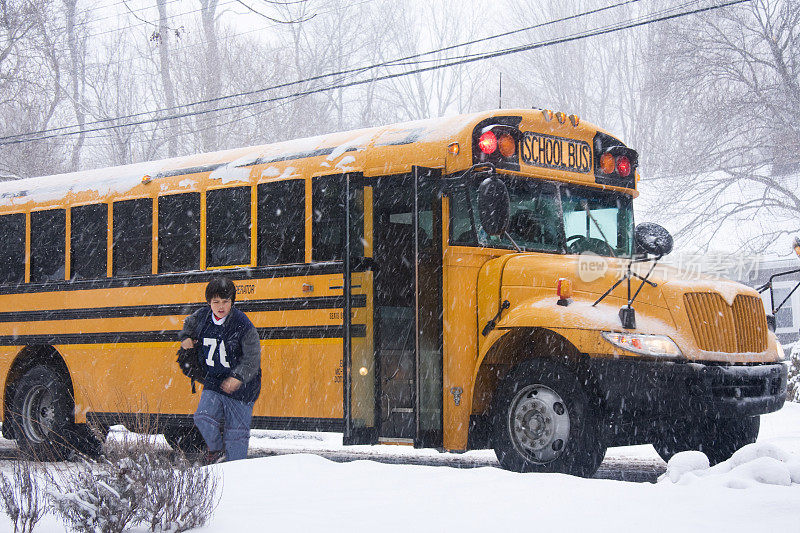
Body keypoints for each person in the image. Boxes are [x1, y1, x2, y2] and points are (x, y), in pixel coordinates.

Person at [179, 277, 261, 463]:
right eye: (216, 302)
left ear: (232, 302)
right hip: (215, 379)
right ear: (209, 303)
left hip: (243, 387)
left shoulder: (243, 324)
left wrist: (238, 377)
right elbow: (188, 325)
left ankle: (235, 469)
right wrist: (185, 337)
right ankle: (216, 450)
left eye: (225, 301)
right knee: (203, 417)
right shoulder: (201, 316)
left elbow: (252, 357)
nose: (221, 306)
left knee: (236, 435)